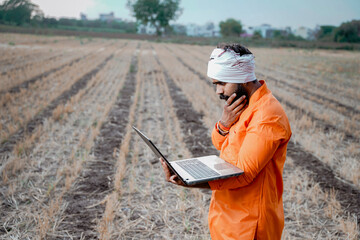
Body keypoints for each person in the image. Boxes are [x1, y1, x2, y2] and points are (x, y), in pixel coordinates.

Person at [160, 43, 292, 240]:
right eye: (216, 84)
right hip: (227, 213)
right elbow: (222, 145)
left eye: (221, 83)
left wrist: (190, 183)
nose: (218, 91)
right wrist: (224, 124)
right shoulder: (243, 104)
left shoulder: (267, 116)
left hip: (249, 224)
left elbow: (243, 175)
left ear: (242, 79)